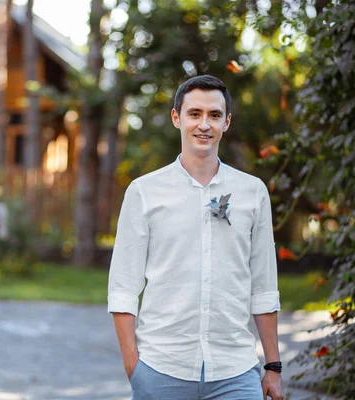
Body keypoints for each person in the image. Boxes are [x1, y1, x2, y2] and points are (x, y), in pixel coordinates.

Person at [107, 74, 283, 400]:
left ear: (226, 122)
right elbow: (123, 288)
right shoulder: (144, 193)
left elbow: (264, 286)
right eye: (195, 114)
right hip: (161, 369)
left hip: (236, 372)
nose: (205, 124)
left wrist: (273, 366)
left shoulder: (252, 193)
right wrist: (134, 366)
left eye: (215, 115)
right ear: (177, 118)